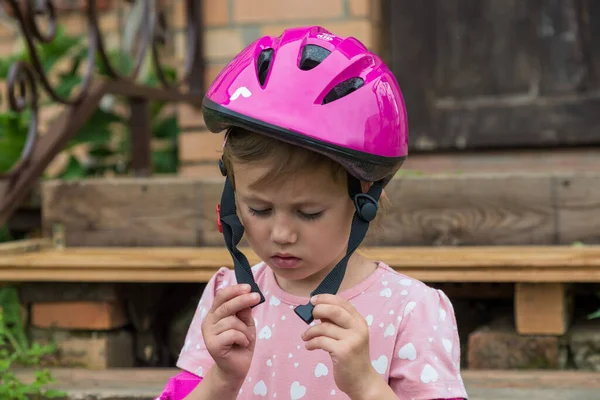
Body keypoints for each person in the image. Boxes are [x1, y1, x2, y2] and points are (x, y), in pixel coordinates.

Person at [156, 26, 468, 400]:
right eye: (259, 208)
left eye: (308, 213)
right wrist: (223, 379)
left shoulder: (409, 310)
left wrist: (366, 385)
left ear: (364, 200)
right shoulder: (229, 297)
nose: (282, 233)